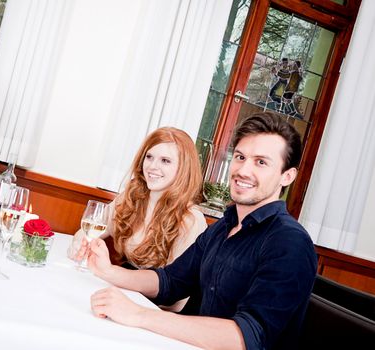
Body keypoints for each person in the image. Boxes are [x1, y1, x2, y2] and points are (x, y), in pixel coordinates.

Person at [87, 112, 318, 350]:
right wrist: (109, 272)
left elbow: (246, 337)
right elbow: (171, 281)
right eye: (240, 157)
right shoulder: (224, 226)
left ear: (287, 176)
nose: (243, 170)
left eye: (261, 162)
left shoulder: (290, 242)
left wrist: (139, 315)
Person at [70, 127, 207, 312]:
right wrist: (80, 246)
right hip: (124, 291)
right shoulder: (132, 196)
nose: (152, 167)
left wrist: (116, 279)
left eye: (165, 161)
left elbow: (174, 301)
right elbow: (89, 232)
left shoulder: (191, 219)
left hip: (155, 309)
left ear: (183, 169)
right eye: (149, 157)